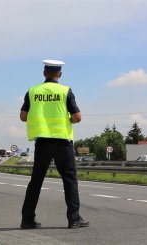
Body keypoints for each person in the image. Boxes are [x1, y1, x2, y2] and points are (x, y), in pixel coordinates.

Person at [20, 59, 89, 229]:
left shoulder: (33, 91)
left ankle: (27, 219)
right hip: (62, 141)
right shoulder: (65, 91)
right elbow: (77, 117)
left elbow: (23, 116)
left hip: (42, 142)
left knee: (36, 181)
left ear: (44, 73)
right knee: (69, 179)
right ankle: (74, 219)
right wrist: (67, 119)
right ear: (60, 74)